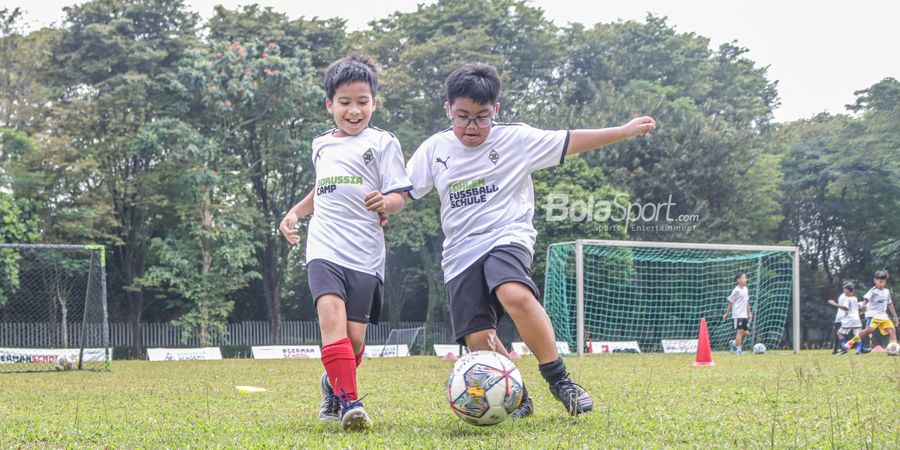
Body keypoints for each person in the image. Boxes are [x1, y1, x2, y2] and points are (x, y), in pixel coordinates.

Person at [405, 62, 655, 416]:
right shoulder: (435, 149)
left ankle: (560, 379)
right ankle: (518, 396)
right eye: (462, 116)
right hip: (459, 252)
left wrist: (625, 130)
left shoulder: (516, 139)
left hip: (508, 234)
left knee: (513, 292)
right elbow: (403, 189)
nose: (471, 126)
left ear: (496, 111)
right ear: (447, 110)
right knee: (480, 338)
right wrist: (383, 204)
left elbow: (571, 140)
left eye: (482, 116)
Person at [278, 55, 411, 431]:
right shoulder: (321, 144)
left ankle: (332, 385)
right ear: (329, 105)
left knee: (353, 342)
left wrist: (387, 203)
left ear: (374, 102)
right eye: (345, 102)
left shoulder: (384, 142)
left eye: (362, 101)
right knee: (331, 320)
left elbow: (400, 194)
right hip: (324, 248)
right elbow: (322, 188)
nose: (354, 111)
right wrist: (295, 212)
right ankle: (350, 403)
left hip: (366, 254)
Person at [844, 270, 898, 351]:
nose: (881, 282)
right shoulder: (873, 291)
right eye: (879, 280)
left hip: (883, 315)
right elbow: (866, 300)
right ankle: (852, 341)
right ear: (875, 281)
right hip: (873, 314)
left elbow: (890, 304)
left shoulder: (886, 292)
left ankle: (893, 350)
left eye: (883, 280)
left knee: (892, 330)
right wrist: (863, 306)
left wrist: (895, 316)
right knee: (870, 330)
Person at [828, 283, 861, 354]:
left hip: (850, 320)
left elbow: (846, 308)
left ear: (848, 290)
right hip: (857, 319)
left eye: (845, 290)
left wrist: (834, 304)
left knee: (839, 333)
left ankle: (844, 348)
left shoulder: (847, 299)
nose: (844, 291)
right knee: (857, 335)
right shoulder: (855, 298)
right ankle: (859, 350)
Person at [722, 272, 751, 355]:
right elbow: (731, 302)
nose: (745, 279)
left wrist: (749, 313)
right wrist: (727, 314)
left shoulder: (746, 289)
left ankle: (734, 343)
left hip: (744, 315)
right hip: (737, 315)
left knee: (746, 333)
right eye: (743, 278)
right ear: (738, 279)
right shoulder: (736, 290)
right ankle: (738, 350)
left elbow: (747, 302)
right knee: (740, 331)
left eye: (745, 278)